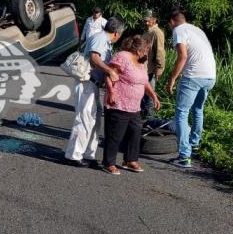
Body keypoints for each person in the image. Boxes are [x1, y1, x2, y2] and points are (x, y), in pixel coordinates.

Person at [65, 17, 125, 167]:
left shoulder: (104, 40)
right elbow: (94, 58)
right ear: (117, 33)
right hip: (87, 82)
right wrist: (110, 71)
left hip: (93, 84)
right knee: (84, 119)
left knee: (95, 119)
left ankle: (88, 153)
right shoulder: (100, 38)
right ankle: (74, 155)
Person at [165, 8, 216, 168]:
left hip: (193, 76)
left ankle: (184, 156)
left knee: (181, 113)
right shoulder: (196, 29)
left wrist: (172, 78)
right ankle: (194, 144)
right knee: (197, 110)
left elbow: (183, 56)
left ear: (172, 22)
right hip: (210, 76)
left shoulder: (179, 30)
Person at [102, 35, 161, 175]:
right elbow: (109, 74)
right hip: (118, 103)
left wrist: (153, 96)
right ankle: (109, 163)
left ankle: (130, 160)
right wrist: (111, 92)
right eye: (146, 50)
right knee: (115, 134)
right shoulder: (122, 56)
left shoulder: (142, 62)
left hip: (134, 106)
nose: (147, 53)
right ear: (138, 49)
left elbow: (145, 81)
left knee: (135, 132)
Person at [140, 9, 165, 118]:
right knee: (143, 94)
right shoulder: (147, 31)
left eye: (148, 20)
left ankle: (149, 120)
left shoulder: (157, 32)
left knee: (149, 95)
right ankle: (143, 118)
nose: (146, 23)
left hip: (150, 69)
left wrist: (159, 69)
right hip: (143, 67)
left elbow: (160, 52)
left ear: (154, 20)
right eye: (144, 20)